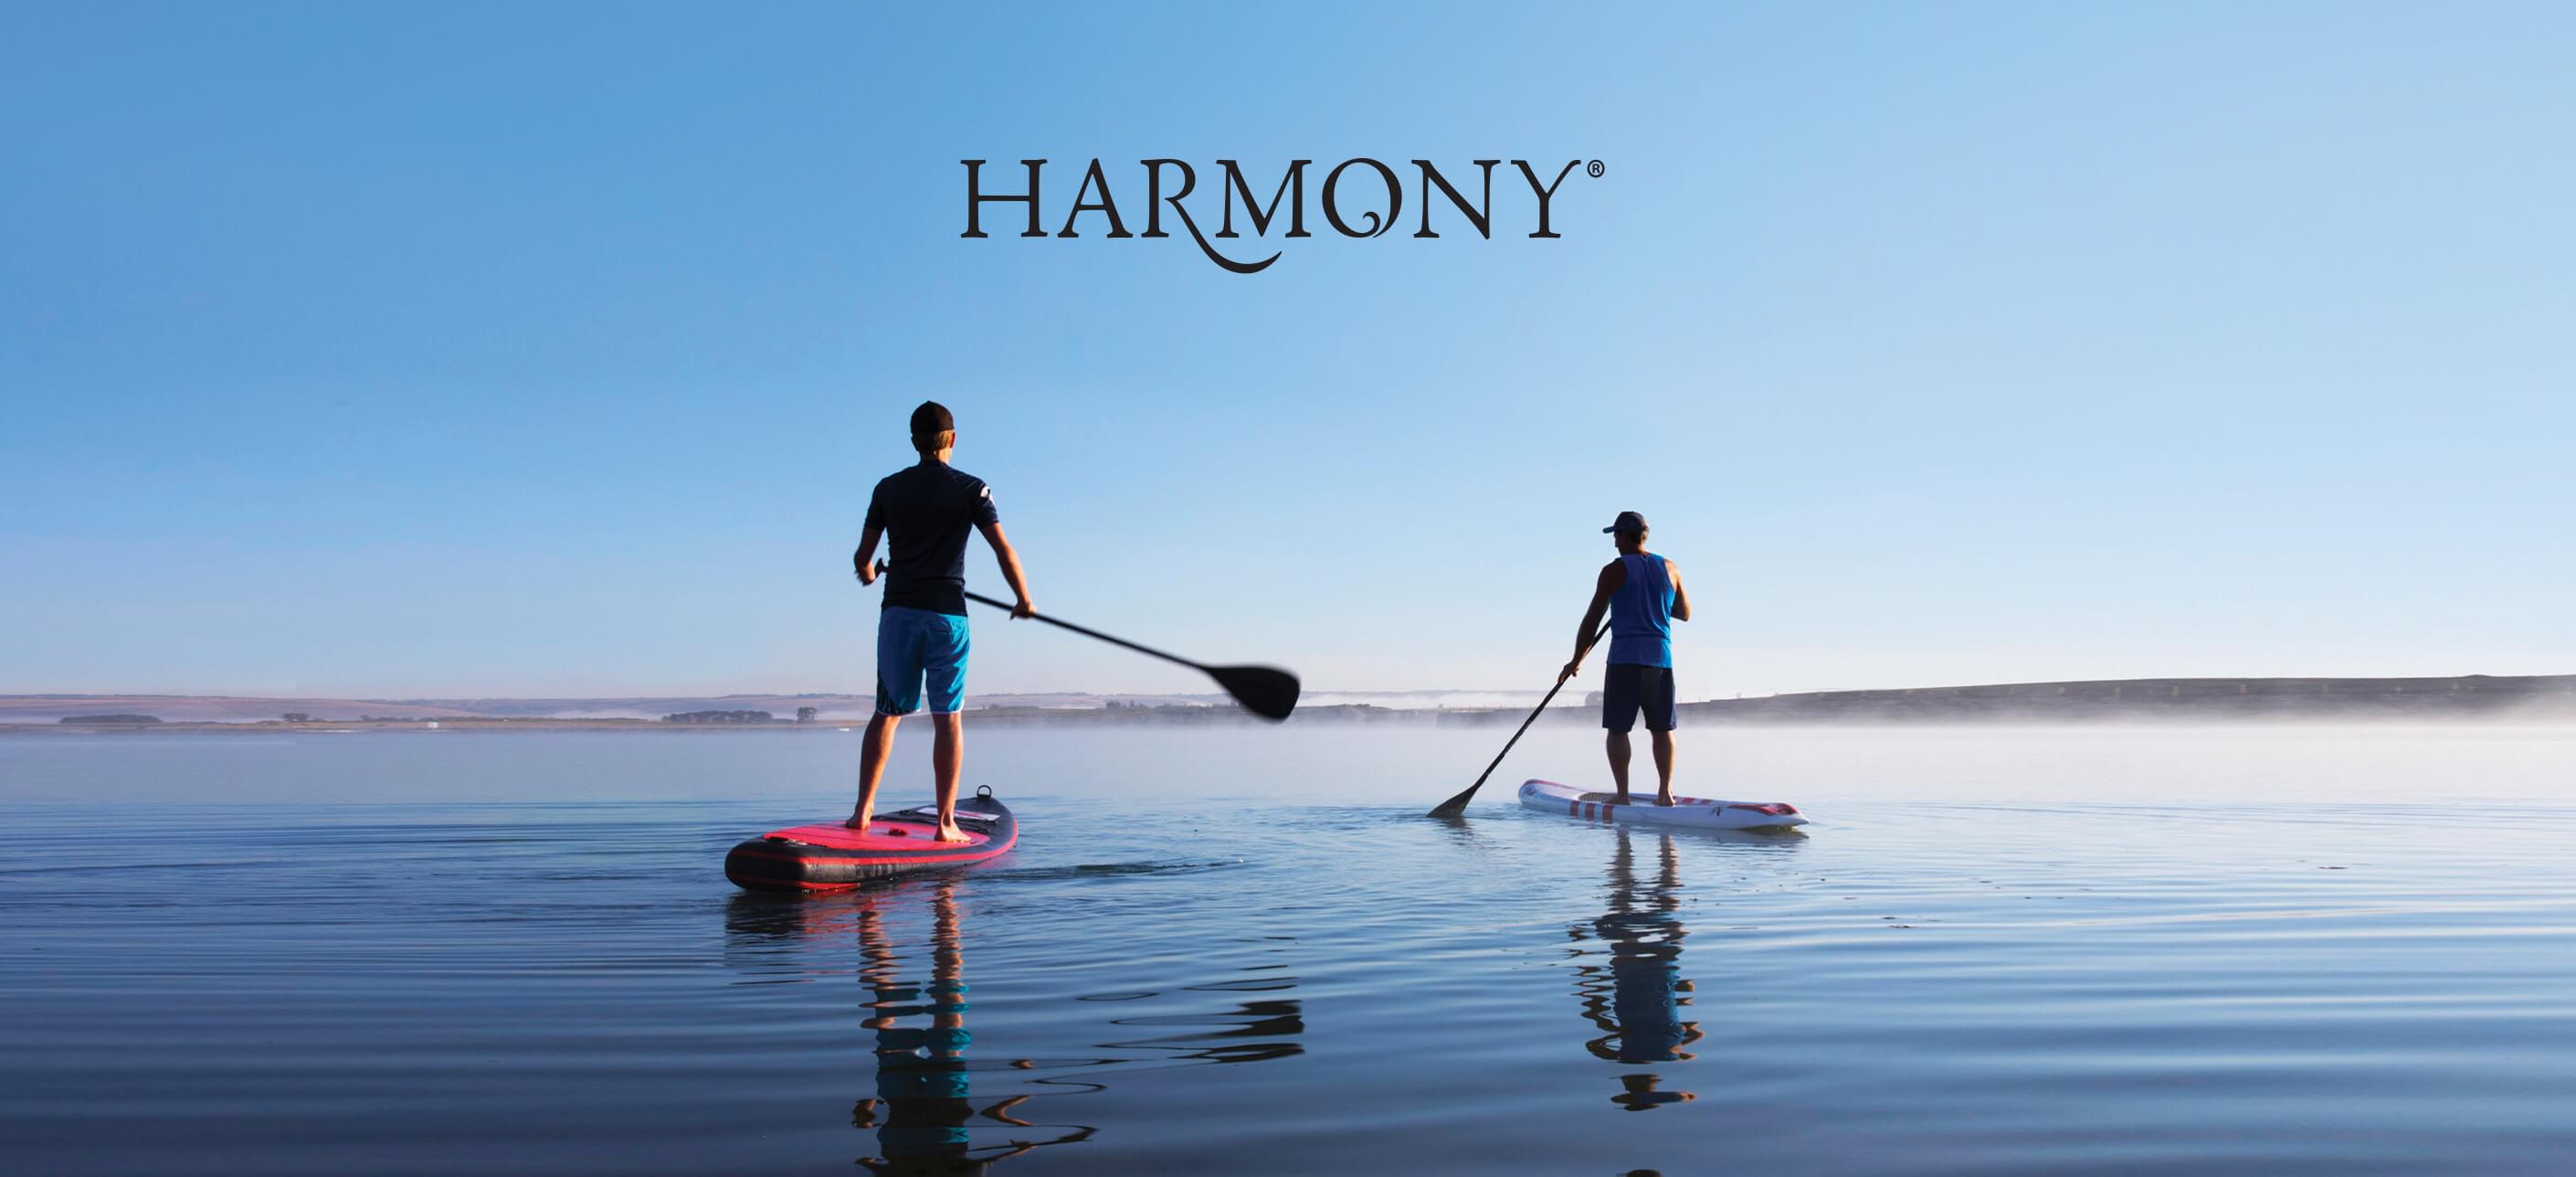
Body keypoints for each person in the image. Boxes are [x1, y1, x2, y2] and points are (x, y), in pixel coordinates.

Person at [848, 401, 1034, 841]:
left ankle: (861, 813)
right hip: (948, 616)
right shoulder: (972, 488)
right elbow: (1003, 550)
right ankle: (945, 823)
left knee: (886, 713)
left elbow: (862, 558)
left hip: (898, 615)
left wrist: (871, 571)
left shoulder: (887, 489)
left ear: (914, 442)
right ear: (952, 440)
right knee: (947, 717)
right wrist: (1023, 599)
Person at [1559, 511, 1693, 805]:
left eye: (1616, 536)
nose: (1615, 542)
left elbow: (1592, 619)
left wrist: (1576, 660)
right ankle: (1665, 793)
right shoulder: (1671, 568)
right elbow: (1684, 613)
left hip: (1625, 660)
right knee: (1662, 729)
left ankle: (1622, 796)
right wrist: (1654, 600)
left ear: (1622, 536)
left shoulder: (1613, 572)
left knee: (1618, 729)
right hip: (1661, 659)